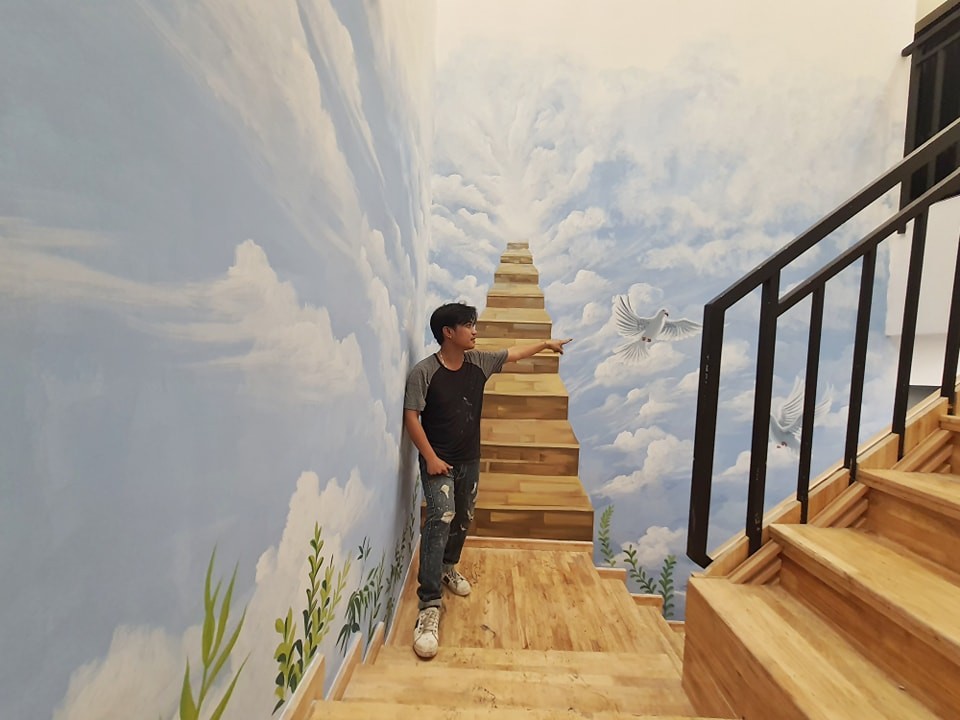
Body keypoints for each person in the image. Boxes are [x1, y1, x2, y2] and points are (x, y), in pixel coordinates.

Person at [402, 301, 571, 659]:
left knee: (463, 519)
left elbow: (514, 353)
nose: (475, 331)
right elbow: (412, 416)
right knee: (441, 518)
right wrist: (430, 458)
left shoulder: (479, 362)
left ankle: (447, 568)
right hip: (438, 463)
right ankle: (429, 605)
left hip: (469, 461)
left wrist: (545, 344)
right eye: (468, 325)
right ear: (448, 332)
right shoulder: (424, 372)